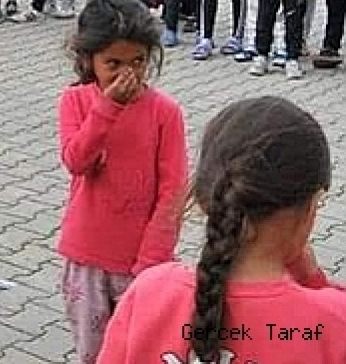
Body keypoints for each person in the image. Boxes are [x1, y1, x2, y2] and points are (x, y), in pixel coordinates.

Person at [97, 97, 346, 364]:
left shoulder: (150, 291)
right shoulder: (330, 322)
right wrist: (312, 280)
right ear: (309, 208)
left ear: (205, 199)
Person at [57, 0, 188, 363]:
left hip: (142, 263)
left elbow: (173, 191)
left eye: (138, 61)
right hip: (87, 259)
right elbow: (76, 160)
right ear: (88, 60)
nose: (127, 72)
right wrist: (107, 109)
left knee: (140, 350)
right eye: (113, 62)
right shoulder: (76, 102)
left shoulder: (166, 113)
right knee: (95, 353)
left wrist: (152, 262)